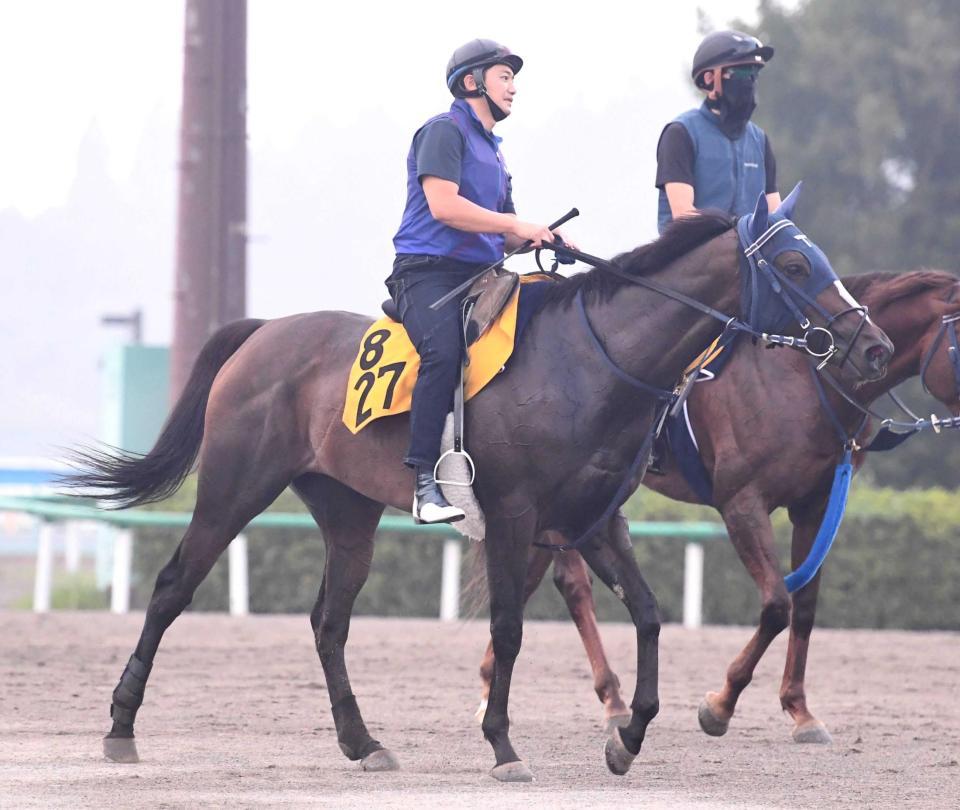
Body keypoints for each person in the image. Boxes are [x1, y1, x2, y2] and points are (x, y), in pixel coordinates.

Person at [389, 39, 559, 524]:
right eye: (504, 77)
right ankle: (424, 484)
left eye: (512, 79)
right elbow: (444, 207)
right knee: (443, 352)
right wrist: (514, 226)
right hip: (427, 273)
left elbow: (503, 235)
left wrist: (537, 238)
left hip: (482, 274)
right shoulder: (444, 131)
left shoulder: (497, 154)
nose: (513, 88)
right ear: (472, 82)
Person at [655, 30, 782, 234]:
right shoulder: (680, 133)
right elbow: (683, 216)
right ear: (709, 79)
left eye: (754, 73)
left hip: (745, 260)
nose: (749, 80)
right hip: (688, 258)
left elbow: (775, 217)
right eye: (741, 72)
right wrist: (738, 230)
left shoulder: (759, 140)